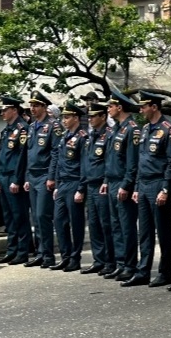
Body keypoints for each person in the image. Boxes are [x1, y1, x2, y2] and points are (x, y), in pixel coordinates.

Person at [124, 91, 171, 287]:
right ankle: (143, 270)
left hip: (158, 182)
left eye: (144, 106)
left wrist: (166, 189)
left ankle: (165, 272)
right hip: (145, 183)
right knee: (145, 231)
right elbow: (141, 160)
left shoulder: (169, 129)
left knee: (163, 230)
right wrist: (137, 186)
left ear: (154, 107)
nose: (141, 110)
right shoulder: (146, 128)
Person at [24, 91, 63, 269]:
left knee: (43, 215)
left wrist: (51, 177)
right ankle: (40, 253)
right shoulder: (32, 126)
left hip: (44, 174)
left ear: (44, 107)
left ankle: (48, 255)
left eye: (36, 105)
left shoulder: (53, 126)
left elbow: (56, 153)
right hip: (32, 174)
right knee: (36, 218)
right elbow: (29, 153)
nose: (33, 108)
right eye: (31, 105)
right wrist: (26, 176)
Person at [104, 91, 141, 281]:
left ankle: (130, 264)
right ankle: (120, 263)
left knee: (127, 226)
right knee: (115, 225)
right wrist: (105, 181)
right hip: (111, 181)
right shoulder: (116, 129)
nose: (108, 109)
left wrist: (126, 185)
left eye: (110, 106)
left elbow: (132, 162)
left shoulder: (132, 129)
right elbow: (111, 159)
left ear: (120, 107)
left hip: (122, 183)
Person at [0, 95, 31, 265]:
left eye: (5, 109)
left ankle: (23, 250)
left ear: (14, 110)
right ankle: (12, 249)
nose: (2, 112)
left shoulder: (23, 129)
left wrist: (17, 179)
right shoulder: (7, 130)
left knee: (19, 215)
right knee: (8, 217)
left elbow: (22, 157)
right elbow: (1, 156)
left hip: (14, 177)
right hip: (3, 176)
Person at [49, 102, 86, 272]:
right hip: (63, 183)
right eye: (63, 117)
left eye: (68, 117)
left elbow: (85, 164)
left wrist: (81, 188)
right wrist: (56, 182)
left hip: (74, 182)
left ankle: (75, 257)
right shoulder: (64, 136)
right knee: (59, 220)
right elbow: (59, 161)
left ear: (76, 118)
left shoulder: (82, 137)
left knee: (75, 223)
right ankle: (65, 255)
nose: (64, 120)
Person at [81, 100, 113, 275]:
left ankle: (110, 260)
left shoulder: (108, 135)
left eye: (94, 116)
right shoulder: (90, 136)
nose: (90, 119)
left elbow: (109, 161)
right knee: (93, 225)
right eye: (89, 116)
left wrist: (106, 181)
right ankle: (98, 259)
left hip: (101, 184)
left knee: (105, 224)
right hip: (90, 184)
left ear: (103, 116)